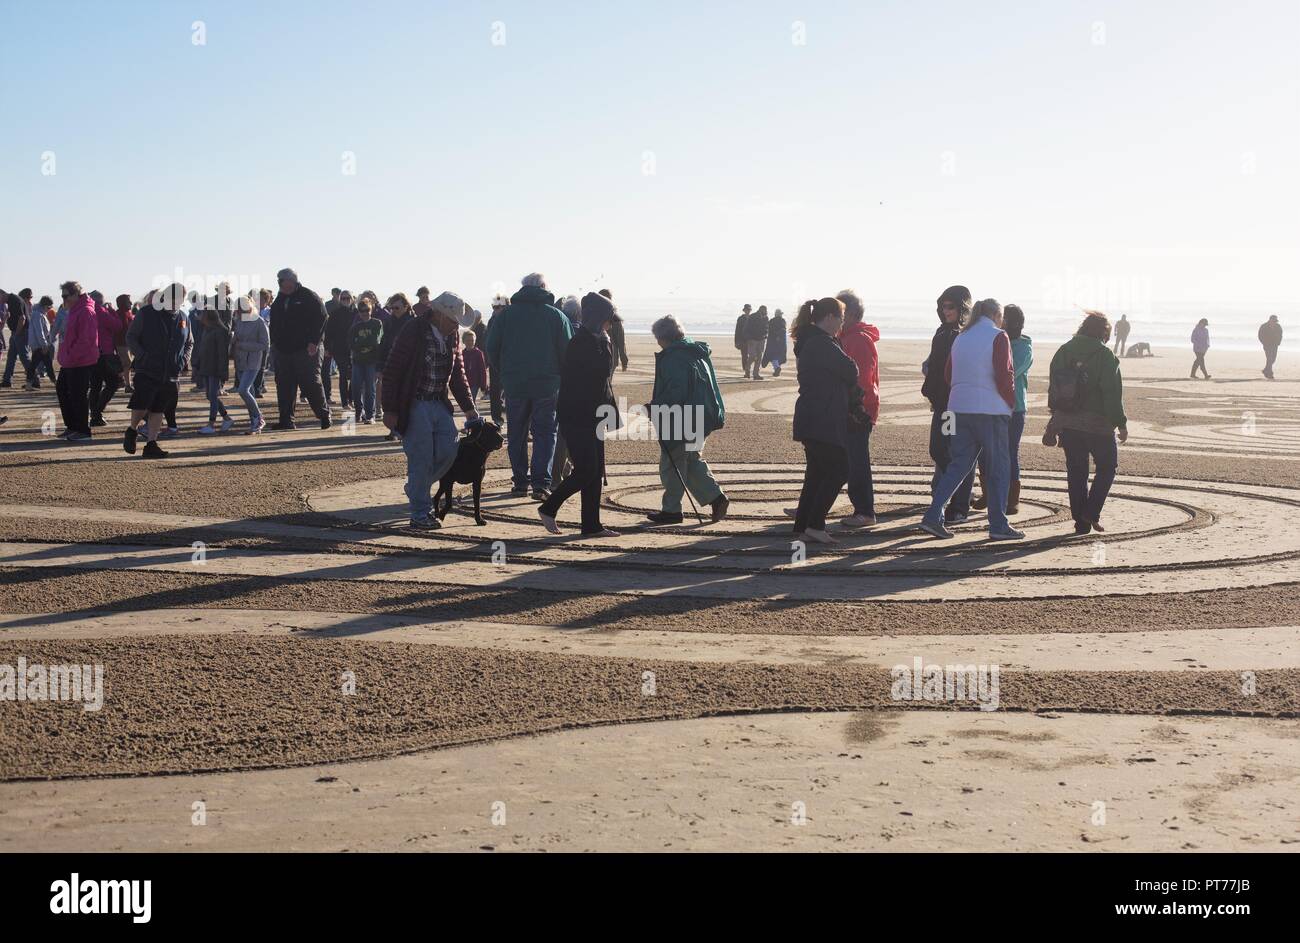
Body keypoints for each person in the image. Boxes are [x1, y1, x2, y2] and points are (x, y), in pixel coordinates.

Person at [918, 298, 1023, 541]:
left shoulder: (961, 337)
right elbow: (1004, 373)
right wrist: (1010, 403)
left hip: (958, 409)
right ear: (996, 315)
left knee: (959, 464)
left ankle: (933, 515)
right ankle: (998, 524)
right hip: (990, 411)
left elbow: (948, 374)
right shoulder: (999, 336)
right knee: (998, 467)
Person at [380, 290, 479, 529]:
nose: (457, 326)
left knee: (450, 448)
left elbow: (458, 374)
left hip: (438, 401)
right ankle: (419, 513)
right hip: (414, 403)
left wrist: (469, 408)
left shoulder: (452, 336)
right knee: (421, 457)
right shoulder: (413, 330)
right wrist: (390, 409)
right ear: (439, 315)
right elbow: (392, 370)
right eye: (454, 321)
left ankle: (416, 488)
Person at [538, 293, 621, 537]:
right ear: (598, 319)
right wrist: (606, 344)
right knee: (586, 470)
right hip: (578, 415)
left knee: (595, 471)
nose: (611, 325)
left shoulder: (595, 340)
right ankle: (549, 507)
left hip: (593, 415)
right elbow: (601, 372)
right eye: (609, 320)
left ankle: (591, 525)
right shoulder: (582, 343)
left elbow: (603, 382)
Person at [484, 273, 574, 499]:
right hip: (547, 385)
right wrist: (562, 377)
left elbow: (491, 347)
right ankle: (541, 483)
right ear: (544, 288)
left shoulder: (506, 316)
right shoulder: (556, 316)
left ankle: (520, 481)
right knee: (545, 433)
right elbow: (568, 353)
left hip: (515, 384)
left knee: (517, 432)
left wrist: (504, 374)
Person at [1047, 311, 1128, 535]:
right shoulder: (1105, 355)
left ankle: (1080, 522)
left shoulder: (1064, 350)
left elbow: (1054, 388)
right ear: (1104, 332)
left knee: (1076, 471)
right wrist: (1120, 422)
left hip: (1069, 422)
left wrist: (1056, 417)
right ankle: (1091, 512)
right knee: (1107, 467)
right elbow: (1111, 393)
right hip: (1098, 424)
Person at [644, 315, 728, 525]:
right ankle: (716, 498)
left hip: (683, 418)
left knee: (672, 463)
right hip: (702, 415)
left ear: (664, 337)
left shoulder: (674, 357)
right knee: (690, 460)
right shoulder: (694, 352)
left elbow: (677, 392)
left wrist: (654, 406)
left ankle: (672, 510)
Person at [790, 297, 859, 544]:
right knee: (839, 469)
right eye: (840, 318)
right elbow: (852, 370)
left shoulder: (812, 340)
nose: (842, 323)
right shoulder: (821, 343)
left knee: (817, 473)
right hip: (822, 418)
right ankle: (815, 524)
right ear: (829, 317)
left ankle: (803, 526)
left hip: (813, 416)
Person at [921, 286, 976, 524]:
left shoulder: (962, 335)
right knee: (940, 450)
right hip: (942, 405)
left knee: (953, 452)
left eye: (950, 306)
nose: (945, 311)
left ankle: (959, 505)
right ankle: (952, 496)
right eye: (943, 306)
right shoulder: (942, 332)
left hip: (954, 406)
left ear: (962, 307)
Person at [124, 285, 189, 458]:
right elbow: (131, 337)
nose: (177, 301)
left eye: (181, 298)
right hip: (148, 369)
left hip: (170, 372)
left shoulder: (183, 317)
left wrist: (183, 360)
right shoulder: (147, 313)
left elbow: (189, 343)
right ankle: (132, 430)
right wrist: (142, 356)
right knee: (142, 403)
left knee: (159, 408)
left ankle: (151, 443)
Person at [836, 290, 880, 528]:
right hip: (848, 407)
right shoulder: (845, 337)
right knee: (838, 460)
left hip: (859, 409)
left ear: (851, 314)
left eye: (840, 312)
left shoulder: (859, 340)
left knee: (856, 461)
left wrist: (855, 407)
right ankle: (811, 507)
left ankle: (865, 511)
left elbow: (863, 379)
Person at [268, 267, 330, 430]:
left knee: (311, 383)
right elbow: (274, 321)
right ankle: (286, 420)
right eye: (279, 281)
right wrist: (274, 343)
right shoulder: (280, 299)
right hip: (283, 350)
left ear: (291, 281)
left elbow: (322, 317)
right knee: (284, 385)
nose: (280, 284)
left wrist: (314, 342)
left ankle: (324, 415)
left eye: (282, 280)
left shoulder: (308, 296)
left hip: (306, 350)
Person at [55, 281, 99, 441]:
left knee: (78, 395)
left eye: (66, 295)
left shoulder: (86, 311)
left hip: (80, 361)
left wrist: (71, 356)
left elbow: (86, 339)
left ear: (76, 295)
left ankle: (83, 430)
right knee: (63, 390)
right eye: (62, 295)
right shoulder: (73, 310)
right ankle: (72, 426)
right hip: (70, 361)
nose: (63, 299)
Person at [379, 293, 415, 440]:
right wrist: (379, 367)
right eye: (391, 307)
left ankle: (405, 429)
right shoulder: (389, 322)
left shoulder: (413, 323)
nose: (393, 310)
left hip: (408, 368)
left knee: (406, 399)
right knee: (392, 398)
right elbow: (383, 345)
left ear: (406, 307)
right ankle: (394, 429)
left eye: (397, 307)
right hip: (391, 366)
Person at [233, 295, 270, 434]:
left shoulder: (259, 321)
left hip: (254, 361)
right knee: (250, 393)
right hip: (240, 361)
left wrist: (243, 345)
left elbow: (265, 344)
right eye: (239, 309)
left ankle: (258, 418)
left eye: (243, 308)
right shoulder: (239, 321)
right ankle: (254, 422)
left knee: (243, 390)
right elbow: (236, 337)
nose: (240, 312)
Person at [87, 291, 124, 428]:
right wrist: (112, 311)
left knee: (95, 385)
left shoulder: (88, 311)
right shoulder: (101, 311)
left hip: (91, 353)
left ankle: (95, 415)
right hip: (105, 353)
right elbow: (117, 326)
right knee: (113, 383)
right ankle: (97, 413)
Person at [196, 310, 234, 434]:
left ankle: (211, 424)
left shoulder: (220, 331)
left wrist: (223, 373)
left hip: (215, 369)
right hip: (206, 367)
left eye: (202, 314)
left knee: (212, 396)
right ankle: (227, 418)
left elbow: (223, 354)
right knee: (209, 395)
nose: (200, 317)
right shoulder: (206, 330)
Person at [348, 297, 384, 423]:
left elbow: (375, 341)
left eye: (367, 310)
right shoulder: (355, 327)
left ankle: (370, 415)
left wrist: (361, 343)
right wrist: (363, 344)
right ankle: (358, 412)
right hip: (358, 361)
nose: (364, 313)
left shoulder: (377, 323)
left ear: (371, 310)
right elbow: (351, 343)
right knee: (356, 388)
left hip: (372, 361)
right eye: (362, 310)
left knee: (370, 389)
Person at [323, 289, 355, 407]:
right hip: (339, 349)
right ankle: (345, 402)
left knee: (353, 375)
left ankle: (350, 399)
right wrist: (327, 348)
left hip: (354, 349)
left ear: (352, 299)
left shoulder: (357, 313)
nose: (346, 300)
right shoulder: (335, 314)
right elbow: (329, 332)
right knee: (343, 374)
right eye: (343, 298)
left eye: (348, 298)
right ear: (340, 300)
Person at [484, 294, 508, 424]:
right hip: (495, 363)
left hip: (509, 362)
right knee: (495, 392)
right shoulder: (492, 321)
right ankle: (497, 420)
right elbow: (489, 343)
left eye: (500, 307)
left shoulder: (510, 320)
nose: (496, 309)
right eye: (495, 307)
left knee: (510, 393)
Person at [23, 295, 55, 390]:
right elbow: (39, 331)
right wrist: (44, 345)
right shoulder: (38, 315)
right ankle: (55, 382)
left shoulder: (38, 314)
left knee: (40, 364)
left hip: (39, 344)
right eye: (49, 307)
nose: (49, 310)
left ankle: (29, 384)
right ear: (45, 306)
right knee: (44, 364)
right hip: (39, 345)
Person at [1, 288, 32, 387]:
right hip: (16, 332)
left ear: (2, 294)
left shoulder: (14, 300)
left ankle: (34, 380)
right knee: (11, 357)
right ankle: (7, 380)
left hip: (21, 332)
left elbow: (22, 318)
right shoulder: (11, 301)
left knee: (24, 357)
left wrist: (17, 333)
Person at [600, 289, 629, 372]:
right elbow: (621, 342)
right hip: (611, 355)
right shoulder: (615, 317)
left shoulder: (592, 316)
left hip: (597, 355)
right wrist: (624, 362)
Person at [461, 329, 487, 404]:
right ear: (464, 341)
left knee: (471, 401)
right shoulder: (462, 354)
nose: (470, 342)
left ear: (475, 341)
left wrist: (483, 385)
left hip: (475, 383)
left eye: (472, 340)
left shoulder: (478, 353)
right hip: (464, 382)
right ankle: (474, 415)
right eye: (468, 340)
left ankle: (474, 415)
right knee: (468, 402)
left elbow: (482, 369)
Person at [746, 305, 770, 379]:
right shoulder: (753, 316)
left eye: (765, 310)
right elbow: (747, 327)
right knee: (752, 356)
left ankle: (756, 374)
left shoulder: (766, 318)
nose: (765, 312)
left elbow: (767, 327)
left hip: (761, 339)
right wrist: (748, 338)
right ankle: (747, 369)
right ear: (760, 310)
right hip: (752, 339)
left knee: (759, 357)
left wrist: (766, 334)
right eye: (763, 310)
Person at [764, 309, 787, 376]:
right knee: (778, 355)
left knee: (773, 356)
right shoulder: (782, 320)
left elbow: (769, 330)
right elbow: (783, 329)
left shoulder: (771, 321)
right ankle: (776, 369)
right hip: (781, 341)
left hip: (772, 341)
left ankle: (776, 368)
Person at [1259, 315, 1282, 379]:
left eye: (1275, 321)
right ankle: (1269, 374)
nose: (1274, 322)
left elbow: (1280, 334)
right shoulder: (1264, 326)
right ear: (1270, 320)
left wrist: (1278, 342)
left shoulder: (1278, 326)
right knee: (1269, 358)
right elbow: (1260, 335)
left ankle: (1265, 370)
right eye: (1273, 321)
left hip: (1275, 345)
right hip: (1267, 345)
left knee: (1273, 359)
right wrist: (1264, 343)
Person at [735, 304, 752, 376]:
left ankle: (747, 369)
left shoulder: (753, 318)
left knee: (753, 356)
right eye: (746, 310)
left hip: (752, 340)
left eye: (748, 310)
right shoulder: (740, 318)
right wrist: (736, 341)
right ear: (744, 310)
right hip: (742, 340)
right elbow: (737, 330)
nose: (747, 311)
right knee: (744, 356)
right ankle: (746, 370)